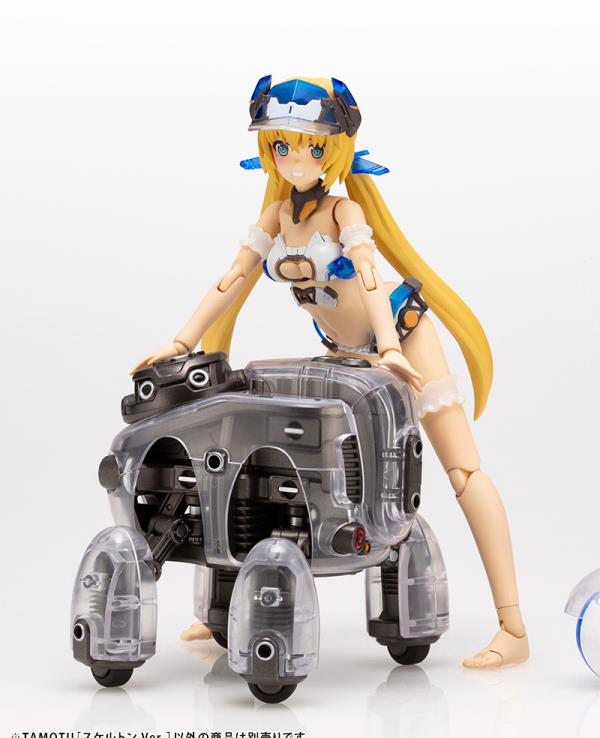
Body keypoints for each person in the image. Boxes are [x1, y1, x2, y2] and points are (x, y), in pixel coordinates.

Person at [134, 76, 529, 669]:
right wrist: (181, 341)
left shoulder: (344, 210)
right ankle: (223, 604)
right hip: (344, 351)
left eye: (313, 147)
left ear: (335, 151)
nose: (296, 159)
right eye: (282, 146)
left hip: (401, 333)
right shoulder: (276, 215)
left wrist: (391, 345)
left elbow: (369, 277)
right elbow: (232, 277)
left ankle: (513, 628)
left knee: (463, 470)